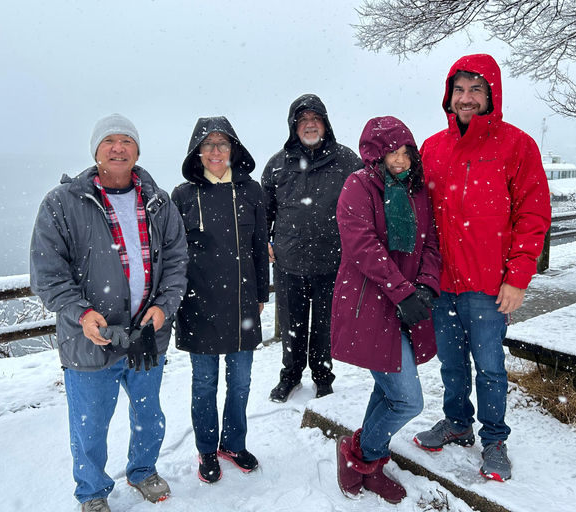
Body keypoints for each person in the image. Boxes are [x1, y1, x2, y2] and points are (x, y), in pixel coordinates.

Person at [30, 114, 189, 512]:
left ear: (137, 151)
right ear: (96, 150)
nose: (118, 148)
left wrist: (162, 307)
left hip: (146, 334)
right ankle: (92, 492)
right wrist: (81, 312)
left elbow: (176, 261)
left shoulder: (158, 200)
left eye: (126, 141)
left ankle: (142, 470)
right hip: (89, 338)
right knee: (90, 425)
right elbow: (47, 272)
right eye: (109, 141)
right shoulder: (62, 202)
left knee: (148, 414)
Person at [412, 54, 552, 482]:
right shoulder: (432, 147)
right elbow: (414, 209)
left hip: (490, 286)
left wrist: (518, 278)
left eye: (476, 88)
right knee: (451, 364)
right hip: (442, 283)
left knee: (490, 366)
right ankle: (458, 424)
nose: (466, 97)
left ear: (491, 94)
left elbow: (533, 215)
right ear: (448, 96)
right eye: (459, 89)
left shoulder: (516, 145)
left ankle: (494, 440)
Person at [333, 116, 441, 504]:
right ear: (373, 155)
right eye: (390, 152)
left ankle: (371, 459)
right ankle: (358, 454)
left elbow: (430, 242)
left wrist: (426, 284)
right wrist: (402, 291)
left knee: (390, 391)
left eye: (405, 151)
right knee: (408, 399)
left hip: (405, 301)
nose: (399, 159)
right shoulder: (358, 186)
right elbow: (362, 246)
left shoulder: (417, 190)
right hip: (370, 304)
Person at [171, 117, 270, 484]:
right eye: (208, 144)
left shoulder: (251, 191)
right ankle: (207, 449)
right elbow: (173, 254)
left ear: (233, 149)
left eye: (222, 144)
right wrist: (176, 300)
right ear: (197, 152)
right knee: (204, 384)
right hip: (197, 305)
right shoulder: (181, 195)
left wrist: (262, 294)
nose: (215, 151)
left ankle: (233, 443)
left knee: (241, 382)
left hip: (243, 303)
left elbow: (260, 247)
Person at [262, 93, 362, 402]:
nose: (310, 125)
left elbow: (363, 208)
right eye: (303, 120)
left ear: (325, 123)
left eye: (315, 119)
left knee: (324, 325)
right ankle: (290, 376)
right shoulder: (278, 165)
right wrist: (264, 240)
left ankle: (322, 377)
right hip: (289, 260)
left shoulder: (347, 162)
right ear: (294, 126)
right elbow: (264, 210)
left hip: (332, 261)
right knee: (292, 325)